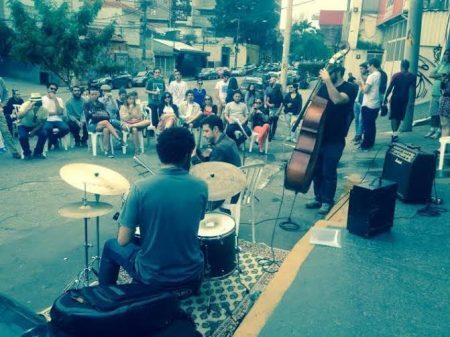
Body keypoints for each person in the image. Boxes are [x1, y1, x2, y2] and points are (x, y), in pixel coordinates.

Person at [98, 127, 208, 298]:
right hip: (192, 273)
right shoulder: (201, 186)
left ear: (159, 153)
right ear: (189, 154)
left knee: (111, 245)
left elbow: (123, 240)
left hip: (154, 277)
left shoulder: (140, 188)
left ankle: (105, 298)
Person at [305, 65, 358, 215]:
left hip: (335, 137)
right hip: (318, 135)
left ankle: (327, 200)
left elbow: (337, 99)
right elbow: (315, 106)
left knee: (328, 170)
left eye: (330, 73)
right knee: (316, 169)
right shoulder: (323, 87)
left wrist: (327, 81)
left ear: (339, 72)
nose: (327, 75)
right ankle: (318, 197)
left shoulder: (350, 88)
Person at [84, 88, 123, 158]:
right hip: (92, 125)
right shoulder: (87, 104)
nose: (94, 96)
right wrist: (96, 114)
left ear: (98, 95)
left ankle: (107, 151)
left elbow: (107, 115)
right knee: (106, 122)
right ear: (89, 95)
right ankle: (118, 138)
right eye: (92, 94)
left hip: (102, 124)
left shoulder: (101, 104)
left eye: (95, 94)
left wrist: (96, 114)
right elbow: (87, 116)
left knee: (106, 130)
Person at [383, 59, 416, 142]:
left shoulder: (396, 75)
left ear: (401, 66)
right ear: (408, 67)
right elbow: (413, 89)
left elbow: (390, 87)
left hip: (395, 98)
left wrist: (385, 97)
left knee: (394, 116)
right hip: (405, 98)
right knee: (399, 116)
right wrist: (412, 100)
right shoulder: (412, 76)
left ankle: (394, 133)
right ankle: (395, 133)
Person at [425, 49, 450, 139]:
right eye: (445, 54)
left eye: (448, 54)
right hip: (434, 92)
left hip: (443, 94)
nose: (446, 56)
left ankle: (439, 131)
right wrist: (440, 75)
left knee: (441, 115)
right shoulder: (440, 65)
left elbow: (446, 76)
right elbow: (431, 74)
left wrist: (438, 75)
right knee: (433, 112)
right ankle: (433, 129)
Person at [16, 93, 49, 160]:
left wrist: (34, 131)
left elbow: (43, 123)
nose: (37, 104)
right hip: (23, 125)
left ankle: (38, 152)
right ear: (31, 101)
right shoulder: (25, 105)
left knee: (44, 134)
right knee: (22, 137)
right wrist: (28, 109)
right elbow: (19, 116)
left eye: (39, 102)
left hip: (36, 126)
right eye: (36, 102)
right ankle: (27, 153)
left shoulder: (44, 108)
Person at [358, 58, 381, 150]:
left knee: (367, 125)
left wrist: (360, 84)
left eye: (368, 66)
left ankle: (366, 144)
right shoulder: (379, 74)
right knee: (372, 125)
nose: (367, 68)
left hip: (368, 104)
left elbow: (365, 90)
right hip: (375, 103)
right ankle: (371, 142)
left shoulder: (372, 76)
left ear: (372, 65)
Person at [42, 82, 70, 150]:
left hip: (58, 120)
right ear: (47, 89)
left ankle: (52, 140)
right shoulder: (43, 99)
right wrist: (55, 112)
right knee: (46, 129)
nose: (53, 90)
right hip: (47, 120)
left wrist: (55, 100)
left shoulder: (59, 99)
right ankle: (54, 141)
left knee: (66, 129)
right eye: (51, 88)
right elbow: (44, 113)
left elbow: (60, 112)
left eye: (55, 89)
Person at [0, 78, 22, 159]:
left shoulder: (0, 80)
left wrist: (2, 105)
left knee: (6, 131)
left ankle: (14, 152)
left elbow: (6, 93)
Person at [264, 74, 284, 141]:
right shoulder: (268, 88)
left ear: (275, 81)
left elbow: (282, 102)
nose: (270, 81)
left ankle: (273, 135)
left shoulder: (278, 88)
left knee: (275, 122)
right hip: (271, 109)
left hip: (277, 108)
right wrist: (268, 104)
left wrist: (279, 111)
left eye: (271, 80)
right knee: (270, 122)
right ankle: (269, 135)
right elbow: (266, 98)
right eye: (270, 80)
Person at [353, 62, 369, 145]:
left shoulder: (368, 77)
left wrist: (361, 82)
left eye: (362, 68)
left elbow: (365, 89)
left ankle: (358, 136)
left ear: (366, 69)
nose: (360, 70)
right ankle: (357, 135)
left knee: (361, 120)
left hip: (363, 102)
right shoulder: (360, 77)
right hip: (357, 100)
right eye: (360, 68)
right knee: (356, 119)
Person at [439, 70, 450, 137]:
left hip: (445, 102)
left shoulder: (446, 82)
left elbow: (444, 92)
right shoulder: (446, 81)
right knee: (445, 125)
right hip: (445, 102)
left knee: (445, 125)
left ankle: (444, 145)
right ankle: (444, 145)